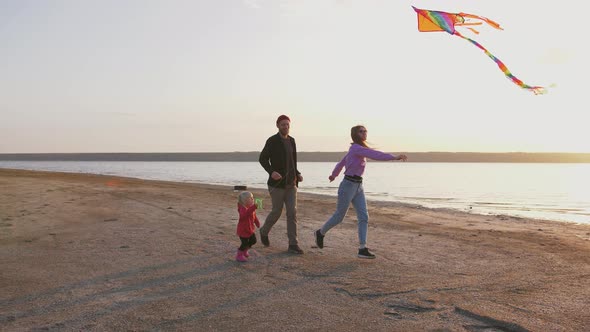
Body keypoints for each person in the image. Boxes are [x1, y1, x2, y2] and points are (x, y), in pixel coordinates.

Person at [314, 125, 407, 259]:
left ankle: (362, 248)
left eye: (365, 131)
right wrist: (395, 157)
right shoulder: (356, 148)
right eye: (361, 131)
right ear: (355, 134)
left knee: (364, 217)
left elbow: (342, 163)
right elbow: (376, 155)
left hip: (358, 186)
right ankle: (320, 233)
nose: (364, 133)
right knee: (339, 217)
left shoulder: (358, 150)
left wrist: (333, 175)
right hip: (348, 185)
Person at [259, 115, 304, 254]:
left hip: (291, 185)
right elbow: (263, 159)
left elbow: (292, 161)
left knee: (292, 213)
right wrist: (271, 172)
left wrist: (297, 173)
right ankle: (264, 231)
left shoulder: (292, 141)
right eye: (283, 124)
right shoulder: (272, 141)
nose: (286, 127)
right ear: (278, 126)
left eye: (287, 124)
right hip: (276, 185)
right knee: (276, 211)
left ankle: (293, 244)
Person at [236, 191, 261, 262]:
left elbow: (254, 216)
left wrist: (257, 222)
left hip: (250, 229)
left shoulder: (250, 208)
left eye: (253, 198)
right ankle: (239, 255)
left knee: (253, 241)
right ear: (245, 201)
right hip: (243, 230)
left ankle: (245, 250)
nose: (253, 199)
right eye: (251, 198)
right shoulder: (242, 208)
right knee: (244, 243)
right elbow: (245, 215)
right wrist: (253, 207)